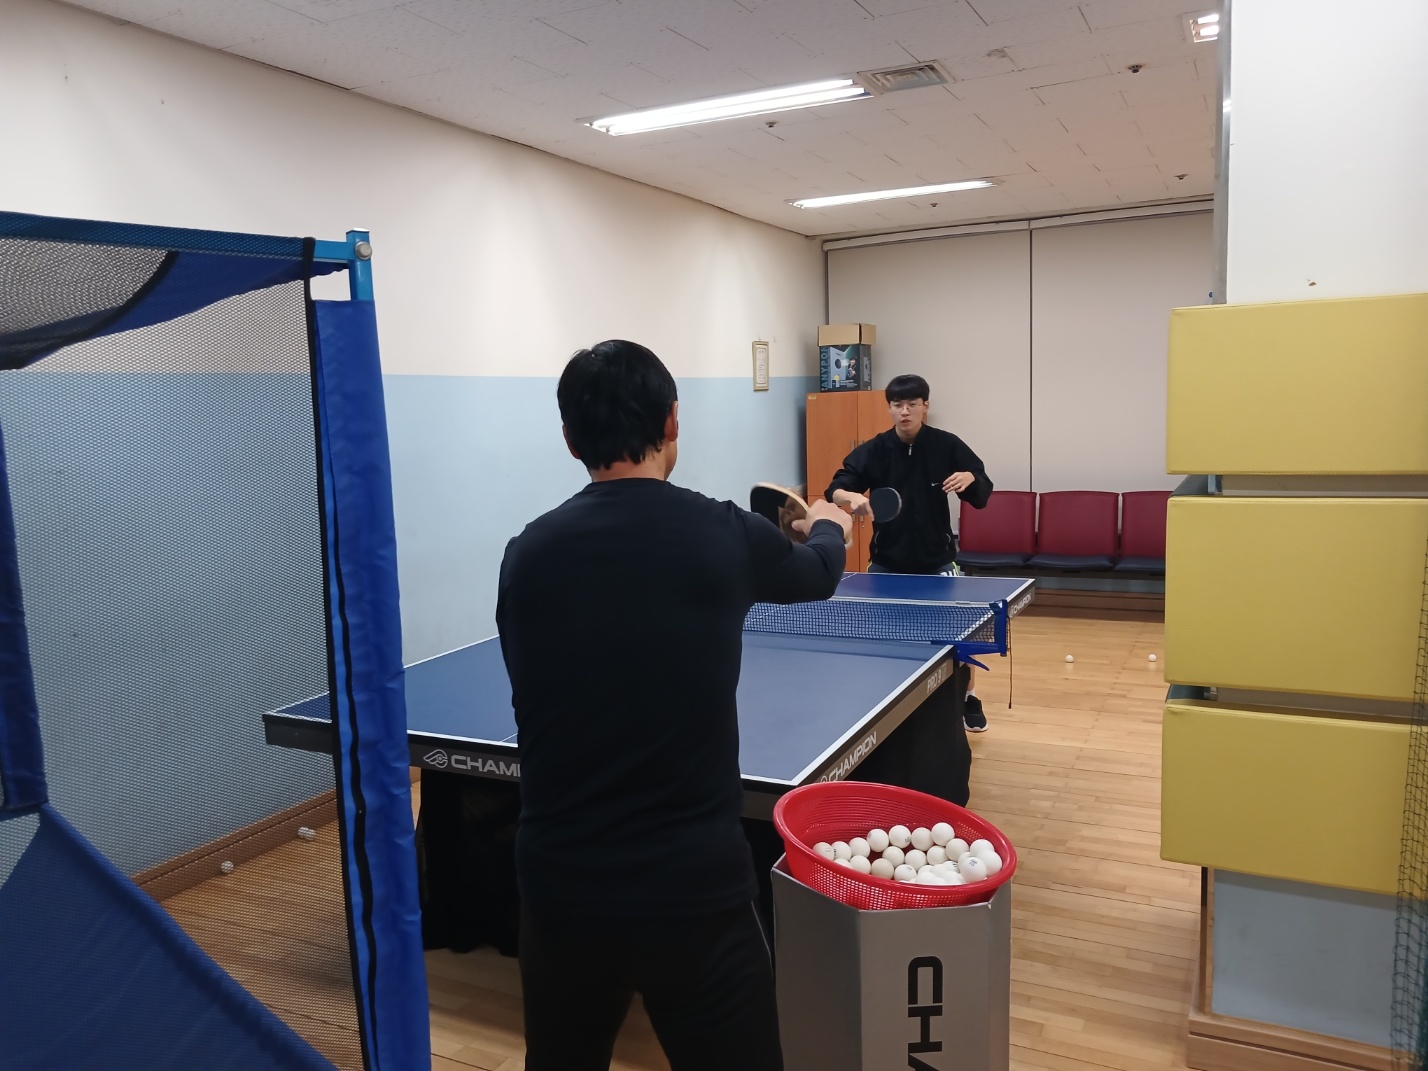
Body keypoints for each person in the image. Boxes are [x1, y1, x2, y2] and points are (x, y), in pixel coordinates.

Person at [496, 339, 850, 1071]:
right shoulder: (724, 532)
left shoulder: (526, 552)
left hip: (562, 887)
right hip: (694, 889)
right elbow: (817, 574)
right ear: (672, 421)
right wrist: (829, 525)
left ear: (570, 439)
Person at [824, 373, 994, 732]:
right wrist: (849, 496)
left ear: (925, 406)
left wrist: (970, 479)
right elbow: (836, 487)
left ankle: (968, 697)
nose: (905, 411)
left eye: (912, 404)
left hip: (937, 560)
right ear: (889, 408)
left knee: (959, 635)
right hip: (888, 562)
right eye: (898, 405)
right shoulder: (876, 449)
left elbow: (981, 488)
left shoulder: (946, 445)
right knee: (885, 635)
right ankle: (891, 697)